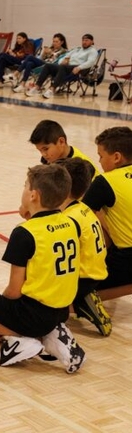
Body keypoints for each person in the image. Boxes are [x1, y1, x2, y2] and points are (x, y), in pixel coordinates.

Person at [0, 164, 86, 374]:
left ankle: (22, 339)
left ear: (33, 195)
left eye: (25, 186)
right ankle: (50, 334)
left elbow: (13, 291)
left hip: (32, 313)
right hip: (61, 310)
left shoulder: (24, 233)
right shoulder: (72, 223)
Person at [56, 157, 111, 336]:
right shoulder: (83, 208)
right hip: (97, 271)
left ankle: (80, 301)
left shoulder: (68, 219)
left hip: (81, 278)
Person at [83, 127, 132, 306]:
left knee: (76, 290)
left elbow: (81, 218)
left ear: (117, 157)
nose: (99, 162)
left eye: (101, 156)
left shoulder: (106, 181)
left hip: (127, 259)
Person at [27, 34, 99, 99]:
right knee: (48, 65)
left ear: (92, 42)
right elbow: (65, 56)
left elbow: (90, 62)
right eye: (83, 40)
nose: (84, 42)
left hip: (80, 68)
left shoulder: (92, 51)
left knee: (62, 67)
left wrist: (79, 67)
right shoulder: (77, 49)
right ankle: (37, 88)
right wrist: (64, 60)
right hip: (67, 67)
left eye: (86, 40)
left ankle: (52, 90)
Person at [28, 119, 99, 175]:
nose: (43, 154)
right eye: (40, 150)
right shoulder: (49, 159)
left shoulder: (81, 168)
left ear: (61, 142)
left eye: (46, 149)